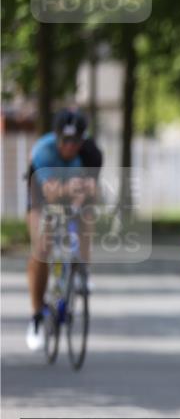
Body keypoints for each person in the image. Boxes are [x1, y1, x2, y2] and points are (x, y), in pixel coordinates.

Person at [25, 109, 102, 351]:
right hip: (41, 199)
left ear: (83, 140)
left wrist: (81, 194)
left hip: (72, 198)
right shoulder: (43, 150)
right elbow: (50, 191)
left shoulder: (91, 153)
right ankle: (37, 316)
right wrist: (77, 186)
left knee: (87, 214)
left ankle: (83, 268)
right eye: (64, 141)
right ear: (56, 137)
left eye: (75, 141)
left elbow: (94, 192)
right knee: (42, 247)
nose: (69, 147)